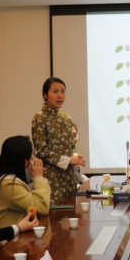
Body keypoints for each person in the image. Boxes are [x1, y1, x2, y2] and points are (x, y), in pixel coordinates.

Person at [32, 77, 85, 205]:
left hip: (68, 177)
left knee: (71, 210)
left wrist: (75, 156)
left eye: (63, 91)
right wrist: (69, 160)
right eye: (55, 92)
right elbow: (42, 151)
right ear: (45, 95)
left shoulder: (66, 118)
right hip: (51, 178)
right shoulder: (40, 117)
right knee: (54, 214)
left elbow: (71, 145)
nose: (60, 95)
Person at [0, 136, 51, 228]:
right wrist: (39, 177)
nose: (33, 158)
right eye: (32, 155)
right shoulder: (8, 184)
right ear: (25, 162)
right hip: (4, 235)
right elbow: (42, 207)